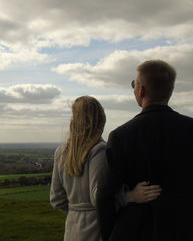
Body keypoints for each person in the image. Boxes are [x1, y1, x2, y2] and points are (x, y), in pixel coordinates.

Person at [97, 60, 193, 241]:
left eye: (134, 84)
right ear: (169, 91)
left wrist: (111, 234)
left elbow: (105, 197)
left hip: (137, 232)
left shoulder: (121, 136)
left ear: (141, 90)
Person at [50, 96, 161, 241]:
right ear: (100, 119)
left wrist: (77, 213)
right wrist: (131, 196)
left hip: (71, 231)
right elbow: (99, 198)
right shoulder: (99, 150)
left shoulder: (61, 151)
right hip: (95, 230)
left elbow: (56, 199)